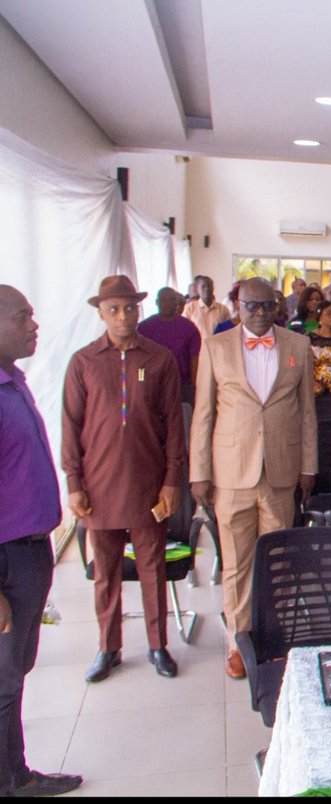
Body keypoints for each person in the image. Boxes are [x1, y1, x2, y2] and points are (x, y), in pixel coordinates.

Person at [190, 278, 317, 678]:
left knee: (277, 564)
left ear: (278, 307)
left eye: (267, 306)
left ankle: (274, 639)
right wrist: (199, 473)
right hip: (231, 473)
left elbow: (308, 412)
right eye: (251, 306)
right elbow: (203, 415)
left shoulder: (297, 346)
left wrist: (309, 466)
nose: (259, 313)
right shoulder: (215, 347)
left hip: (280, 471)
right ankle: (237, 642)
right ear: (237, 306)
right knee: (237, 565)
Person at [62, 276, 184, 682]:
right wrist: (74, 483)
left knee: (153, 567)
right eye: (113, 309)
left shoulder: (160, 358)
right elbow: (71, 426)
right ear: (100, 312)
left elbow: (173, 430)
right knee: (106, 573)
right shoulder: (83, 362)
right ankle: (108, 648)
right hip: (98, 487)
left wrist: (171, 482)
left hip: (149, 485)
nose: (122, 316)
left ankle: (157, 645)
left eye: (129, 308)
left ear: (138, 309)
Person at [0, 286, 84, 797]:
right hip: (7, 558)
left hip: (30, 550)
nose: (34, 324)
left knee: (16, 675)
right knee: (4, 682)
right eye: (21, 316)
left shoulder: (13, 381)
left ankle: (18, 772)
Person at [137, 287, 201, 407]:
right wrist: (140, 382)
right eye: (163, 300)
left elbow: (194, 359)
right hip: (152, 386)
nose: (167, 303)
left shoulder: (189, 328)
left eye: (171, 299)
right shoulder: (144, 328)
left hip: (182, 386)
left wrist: (194, 387)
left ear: (176, 303)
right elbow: (138, 360)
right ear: (157, 302)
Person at [181, 275, 230, 340]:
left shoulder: (223, 309)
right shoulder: (189, 308)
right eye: (203, 287)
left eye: (209, 286)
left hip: (218, 347)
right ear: (197, 290)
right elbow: (184, 331)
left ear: (213, 288)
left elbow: (228, 332)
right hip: (198, 348)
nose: (207, 289)